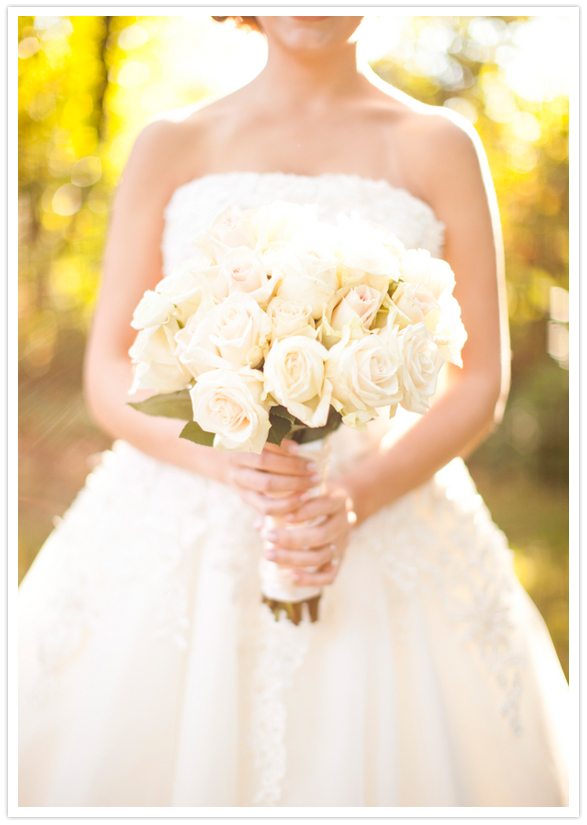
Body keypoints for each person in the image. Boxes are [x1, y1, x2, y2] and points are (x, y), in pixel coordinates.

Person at [19, 15, 569, 807]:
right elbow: (109, 371)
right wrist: (221, 455)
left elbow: (477, 376)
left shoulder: (438, 144)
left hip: (380, 503)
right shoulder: (173, 143)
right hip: (187, 500)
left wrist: (354, 496)